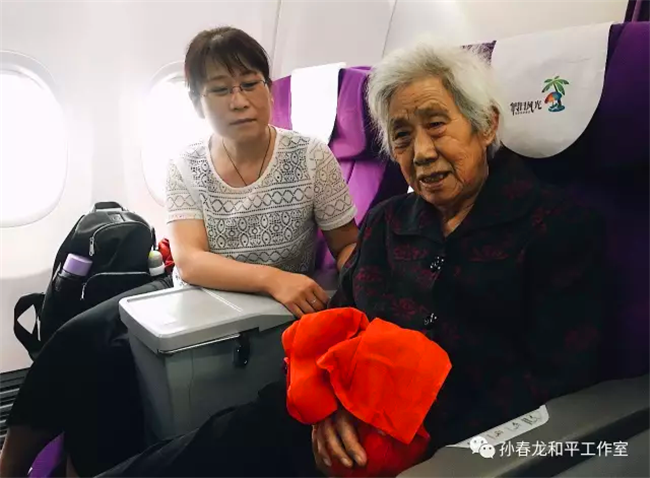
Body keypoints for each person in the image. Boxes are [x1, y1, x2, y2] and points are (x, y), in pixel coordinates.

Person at [97, 42, 607, 477]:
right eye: (402, 136)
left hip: (442, 450)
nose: (422, 152)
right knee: (195, 454)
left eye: (437, 125)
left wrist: (396, 421)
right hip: (327, 422)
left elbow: (557, 379)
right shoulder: (388, 221)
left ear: (486, 126)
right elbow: (338, 323)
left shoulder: (555, 228)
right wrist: (325, 405)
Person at [0, 26, 358, 478]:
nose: (239, 100)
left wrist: (359, 294)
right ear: (196, 103)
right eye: (220, 90)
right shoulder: (186, 162)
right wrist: (273, 278)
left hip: (266, 311)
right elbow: (190, 260)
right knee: (74, 339)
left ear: (268, 90)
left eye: (250, 84)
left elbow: (346, 244)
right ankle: (9, 465)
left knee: (113, 366)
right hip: (190, 294)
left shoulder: (311, 157)